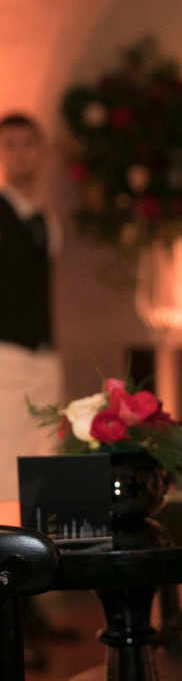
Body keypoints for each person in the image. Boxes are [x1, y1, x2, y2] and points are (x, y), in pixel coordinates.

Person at [0, 111, 61, 501]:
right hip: (5, 352)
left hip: (44, 355)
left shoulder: (46, 220)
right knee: (6, 456)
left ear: (42, 151)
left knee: (46, 450)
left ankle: (43, 534)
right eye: (10, 145)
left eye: (28, 144)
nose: (21, 154)